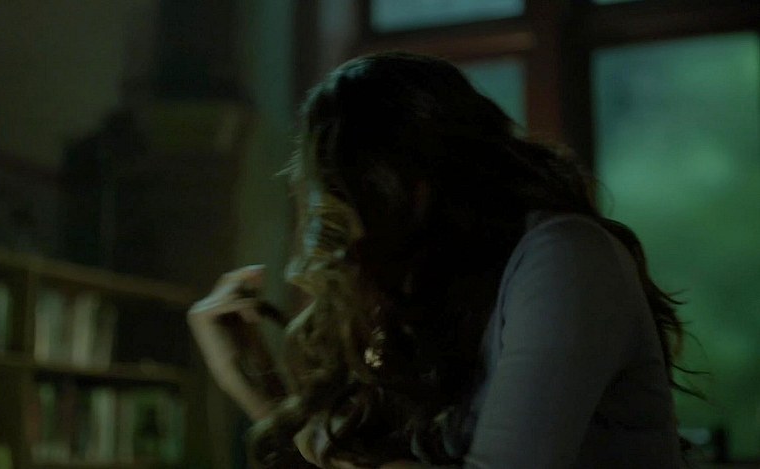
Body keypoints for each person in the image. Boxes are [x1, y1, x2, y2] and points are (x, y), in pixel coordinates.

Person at [188, 52, 690, 468]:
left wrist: (319, 438)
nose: (357, 252)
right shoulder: (434, 303)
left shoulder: (564, 257)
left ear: (419, 184)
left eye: (363, 205)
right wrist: (261, 389)